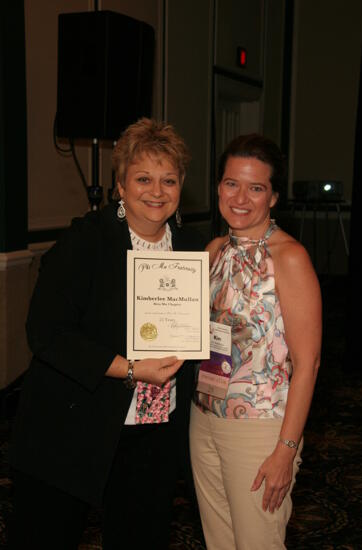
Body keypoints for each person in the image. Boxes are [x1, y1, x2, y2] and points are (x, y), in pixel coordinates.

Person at [10, 118, 204, 549]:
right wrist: (132, 369)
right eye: (143, 178)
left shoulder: (194, 249)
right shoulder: (87, 242)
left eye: (168, 180)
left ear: (181, 186)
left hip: (152, 433)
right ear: (119, 185)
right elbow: (46, 333)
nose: (157, 191)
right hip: (72, 424)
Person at [190, 134, 322, 550]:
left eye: (256, 187)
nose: (241, 197)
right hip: (204, 416)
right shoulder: (212, 251)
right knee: (220, 542)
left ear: (274, 196)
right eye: (232, 183)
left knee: (258, 543)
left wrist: (286, 450)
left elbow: (309, 363)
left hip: (261, 426)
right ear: (218, 187)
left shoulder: (289, 258)